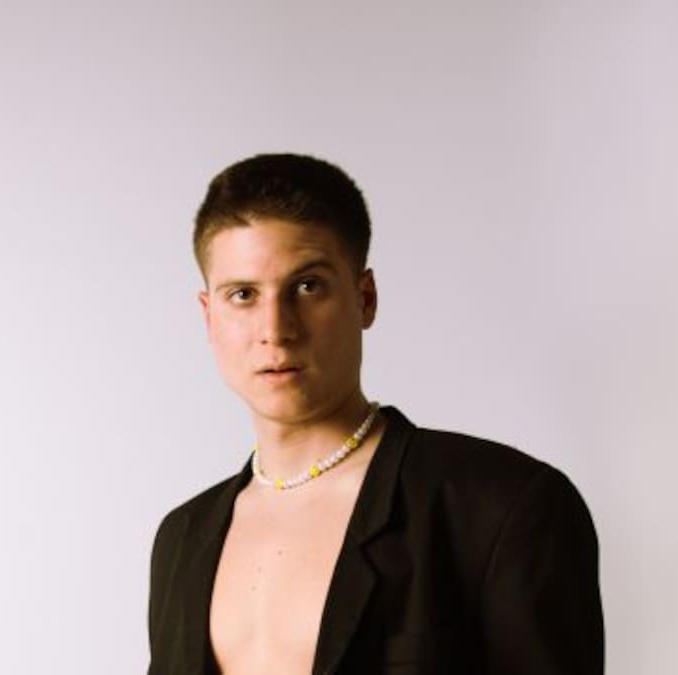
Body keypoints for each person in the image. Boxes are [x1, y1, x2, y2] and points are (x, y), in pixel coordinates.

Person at [147, 153, 603, 674]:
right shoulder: (181, 540)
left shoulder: (502, 507)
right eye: (244, 295)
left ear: (364, 298)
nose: (275, 329)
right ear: (209, 316)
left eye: (307, 286)